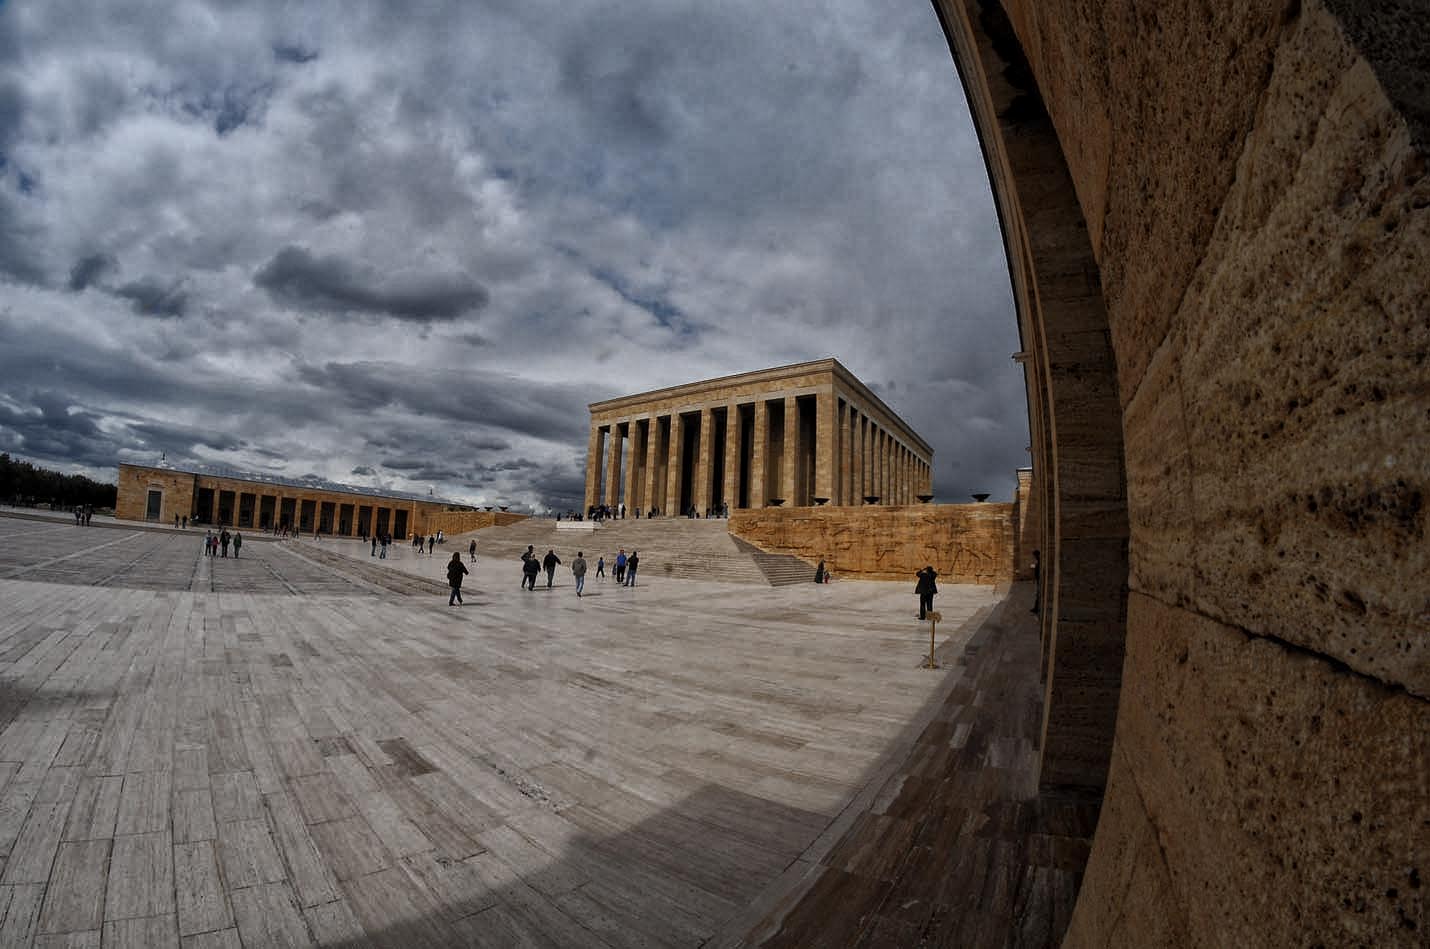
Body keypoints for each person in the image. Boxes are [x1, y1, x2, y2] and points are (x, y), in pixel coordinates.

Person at [1030, 550, 1041, 614]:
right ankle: (1036, 608)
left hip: (1039, 580)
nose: (1034, 557)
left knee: (1038, 594)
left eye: (1034, 555)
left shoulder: (1039, 561)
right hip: (1038, 580)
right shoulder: (1039, 561)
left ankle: (1036, 608)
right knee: (1037, 594)